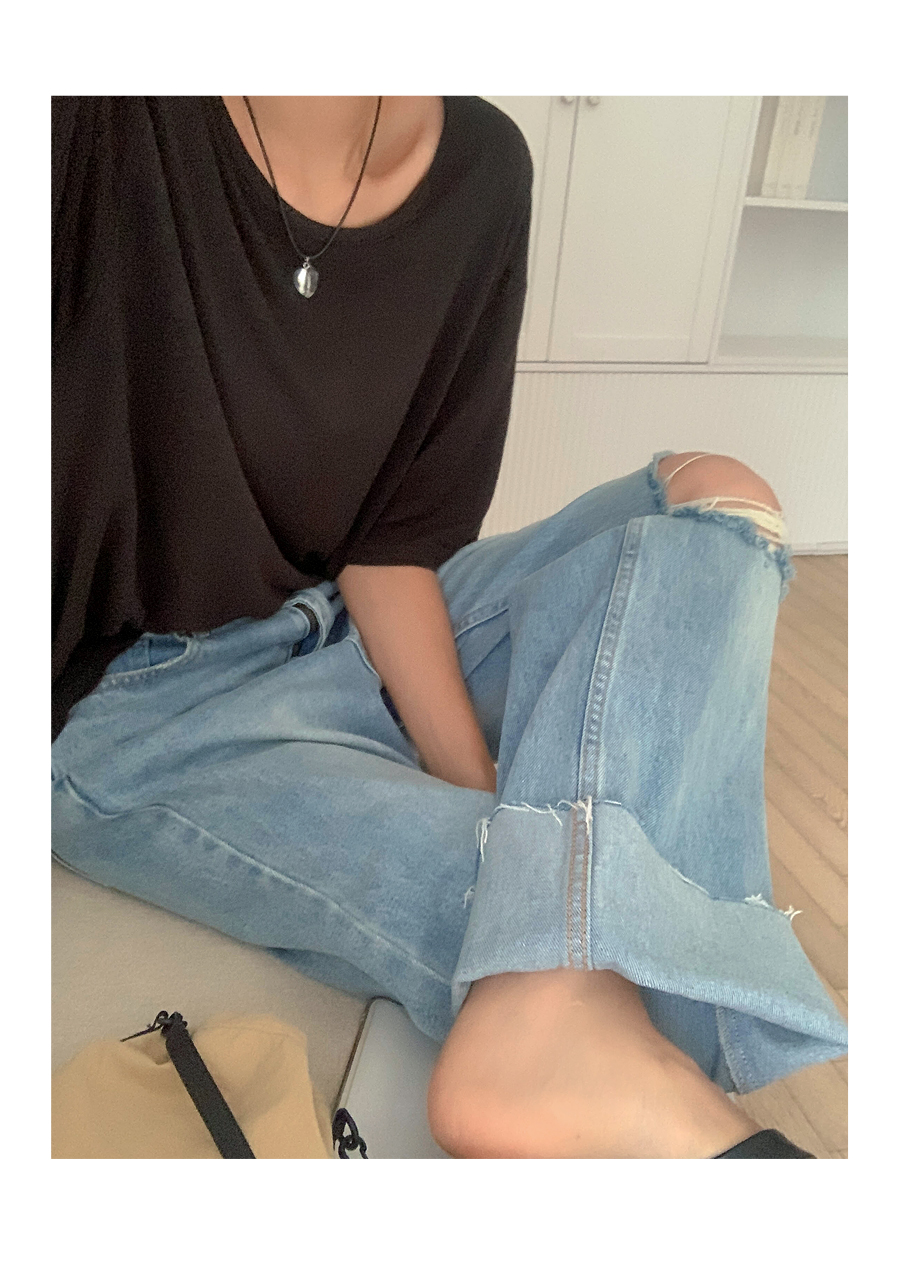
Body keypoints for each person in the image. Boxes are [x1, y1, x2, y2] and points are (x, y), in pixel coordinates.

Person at [51, 95, 848, 1159]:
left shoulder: (482, 170)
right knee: (618, 943)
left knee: (718, 504)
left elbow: (389, 547)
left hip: (341, 624)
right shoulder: (95, 113)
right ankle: (609, 1068)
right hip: (138, 708)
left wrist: (485, 798)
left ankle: (562, 1010)